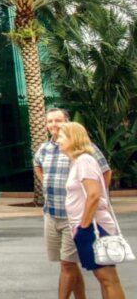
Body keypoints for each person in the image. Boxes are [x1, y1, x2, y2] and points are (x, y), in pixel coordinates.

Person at [35, 107, 112, 299]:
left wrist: (94, 197)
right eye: (50, 121)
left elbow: (105, 172)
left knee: (68, 264)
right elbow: (36, 164)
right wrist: (44, 181)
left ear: (67, 122)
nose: (53, 125)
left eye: (58, 120)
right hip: (52, 214)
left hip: (75, 217)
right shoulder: (44, 148)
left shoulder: (82, 149)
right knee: (68, 263)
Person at [58, 122, 127, 299]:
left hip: (95, 227)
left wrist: (83, 226)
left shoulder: (84, 161)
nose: (58, 141)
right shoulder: (76, 162)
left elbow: (94, 195)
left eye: (62, 137)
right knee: (103, 277)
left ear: (74, 139)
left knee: (107, 277)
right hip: (87, 227)